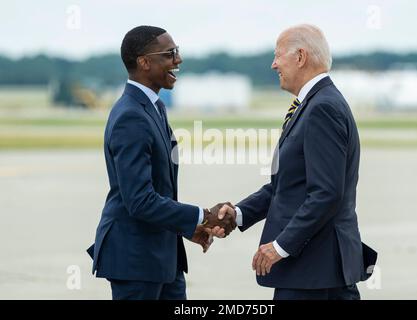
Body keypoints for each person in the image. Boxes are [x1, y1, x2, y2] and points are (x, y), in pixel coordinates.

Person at [226, 24, 377, 300]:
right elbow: (284, 185)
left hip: (314, 272)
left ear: (300, 57)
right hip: (314, 271)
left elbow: (326, 193)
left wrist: (281, 246)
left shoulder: (322, 108)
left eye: (277, 55)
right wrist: (237, 214)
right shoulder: (313, 104)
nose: (273, 65)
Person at [86, 26, 236, 300]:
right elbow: (139, 200)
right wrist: (201, 217)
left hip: (162, 256)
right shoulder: (131, 116)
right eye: (170, 54)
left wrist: (188, 228)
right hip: (136, 261)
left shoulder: (154, 107)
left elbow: (160, 191)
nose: (178, 60)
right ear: (144, 62)